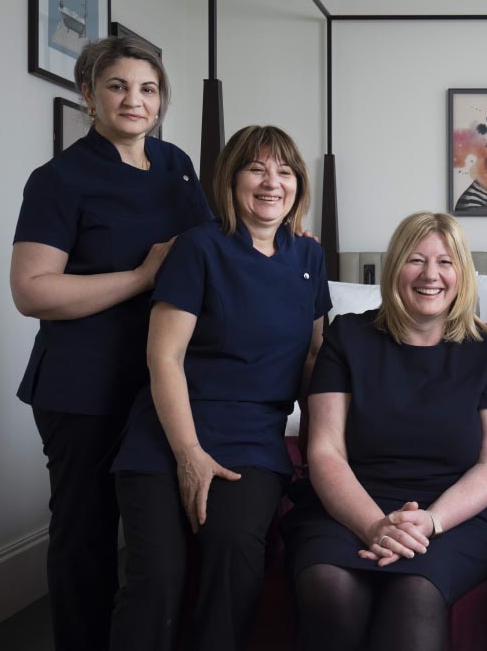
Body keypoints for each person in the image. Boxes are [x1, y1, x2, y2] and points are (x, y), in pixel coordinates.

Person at [9, 35, 212, 651]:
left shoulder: (176, 164)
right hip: (84, 385)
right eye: (118, 86)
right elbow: (32, 291)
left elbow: (207, 252)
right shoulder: (59, 178)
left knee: (162, 537)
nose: (134, 99)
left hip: (163, 382)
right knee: (88, 536)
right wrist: (140, 278)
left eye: (148, 89)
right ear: (89, 95)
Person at [108, 125, 330, 651]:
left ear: (299, 183)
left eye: (284, 171)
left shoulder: (309, 258)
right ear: (230, 180)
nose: (271, 182)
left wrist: (328, 454)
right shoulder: (198, 248)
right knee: (158, 576)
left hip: (254, 438)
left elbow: (315, 357)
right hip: (169, 429)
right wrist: (189, 454)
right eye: (256, 168)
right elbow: (164, 355)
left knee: (234, 552)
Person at [283, 212, 487, 651]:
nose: (431, 275)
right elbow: (326, 451)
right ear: (394, 268)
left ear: (462, 274)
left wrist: (429, 522)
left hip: (452, 516)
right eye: (416, 259)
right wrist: (373, 524)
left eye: (445, 262)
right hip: (348, 505)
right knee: (328, 585)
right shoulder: (347, 336)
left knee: (413, 590)